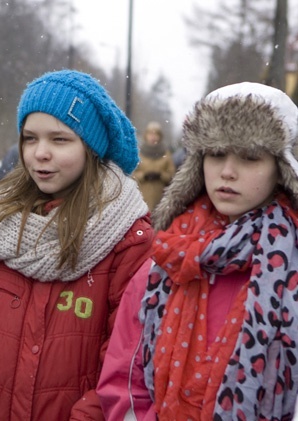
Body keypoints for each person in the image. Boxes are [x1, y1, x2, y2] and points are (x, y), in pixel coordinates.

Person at [0, 69, 154, 420]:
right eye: (29, 138)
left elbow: (124, 367)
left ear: (91, 147)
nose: (40, 153)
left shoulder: (128, 240)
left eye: (59, 139)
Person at [97, 82, 298, 420]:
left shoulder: (289, 267)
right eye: (216, 154)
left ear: (281, 168)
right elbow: (125, 381)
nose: (227, 171)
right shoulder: (164, 261)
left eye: (249, 157)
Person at [132, 121, 176, 211]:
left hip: (160, 199)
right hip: (141, 198)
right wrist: (144, 175)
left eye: (156, 134)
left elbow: (172, 176)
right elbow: (132, 174)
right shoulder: (138, 154)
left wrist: (160, 175)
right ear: (146, 135)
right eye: (150, 134)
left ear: (160, 136)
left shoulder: (166, 154)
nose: (153, 137)